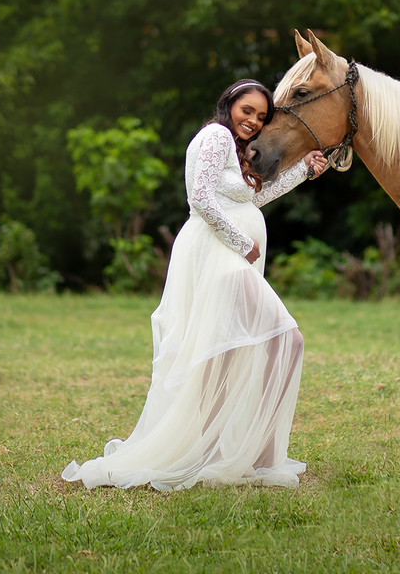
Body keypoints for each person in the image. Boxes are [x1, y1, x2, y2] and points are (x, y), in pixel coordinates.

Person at [62, 80, 328, 491]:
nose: (254, 121)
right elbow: (199, 197)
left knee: (225, 352)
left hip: (232, 256)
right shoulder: (216, 135)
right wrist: (243, 245)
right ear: (229, 105)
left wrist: (303, 171)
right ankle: (243, 455)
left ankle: (250, 454)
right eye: (248, 111)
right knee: (285, 339)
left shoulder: (240, 153)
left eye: (261, 117)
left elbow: (254, 199)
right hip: (219, 256)